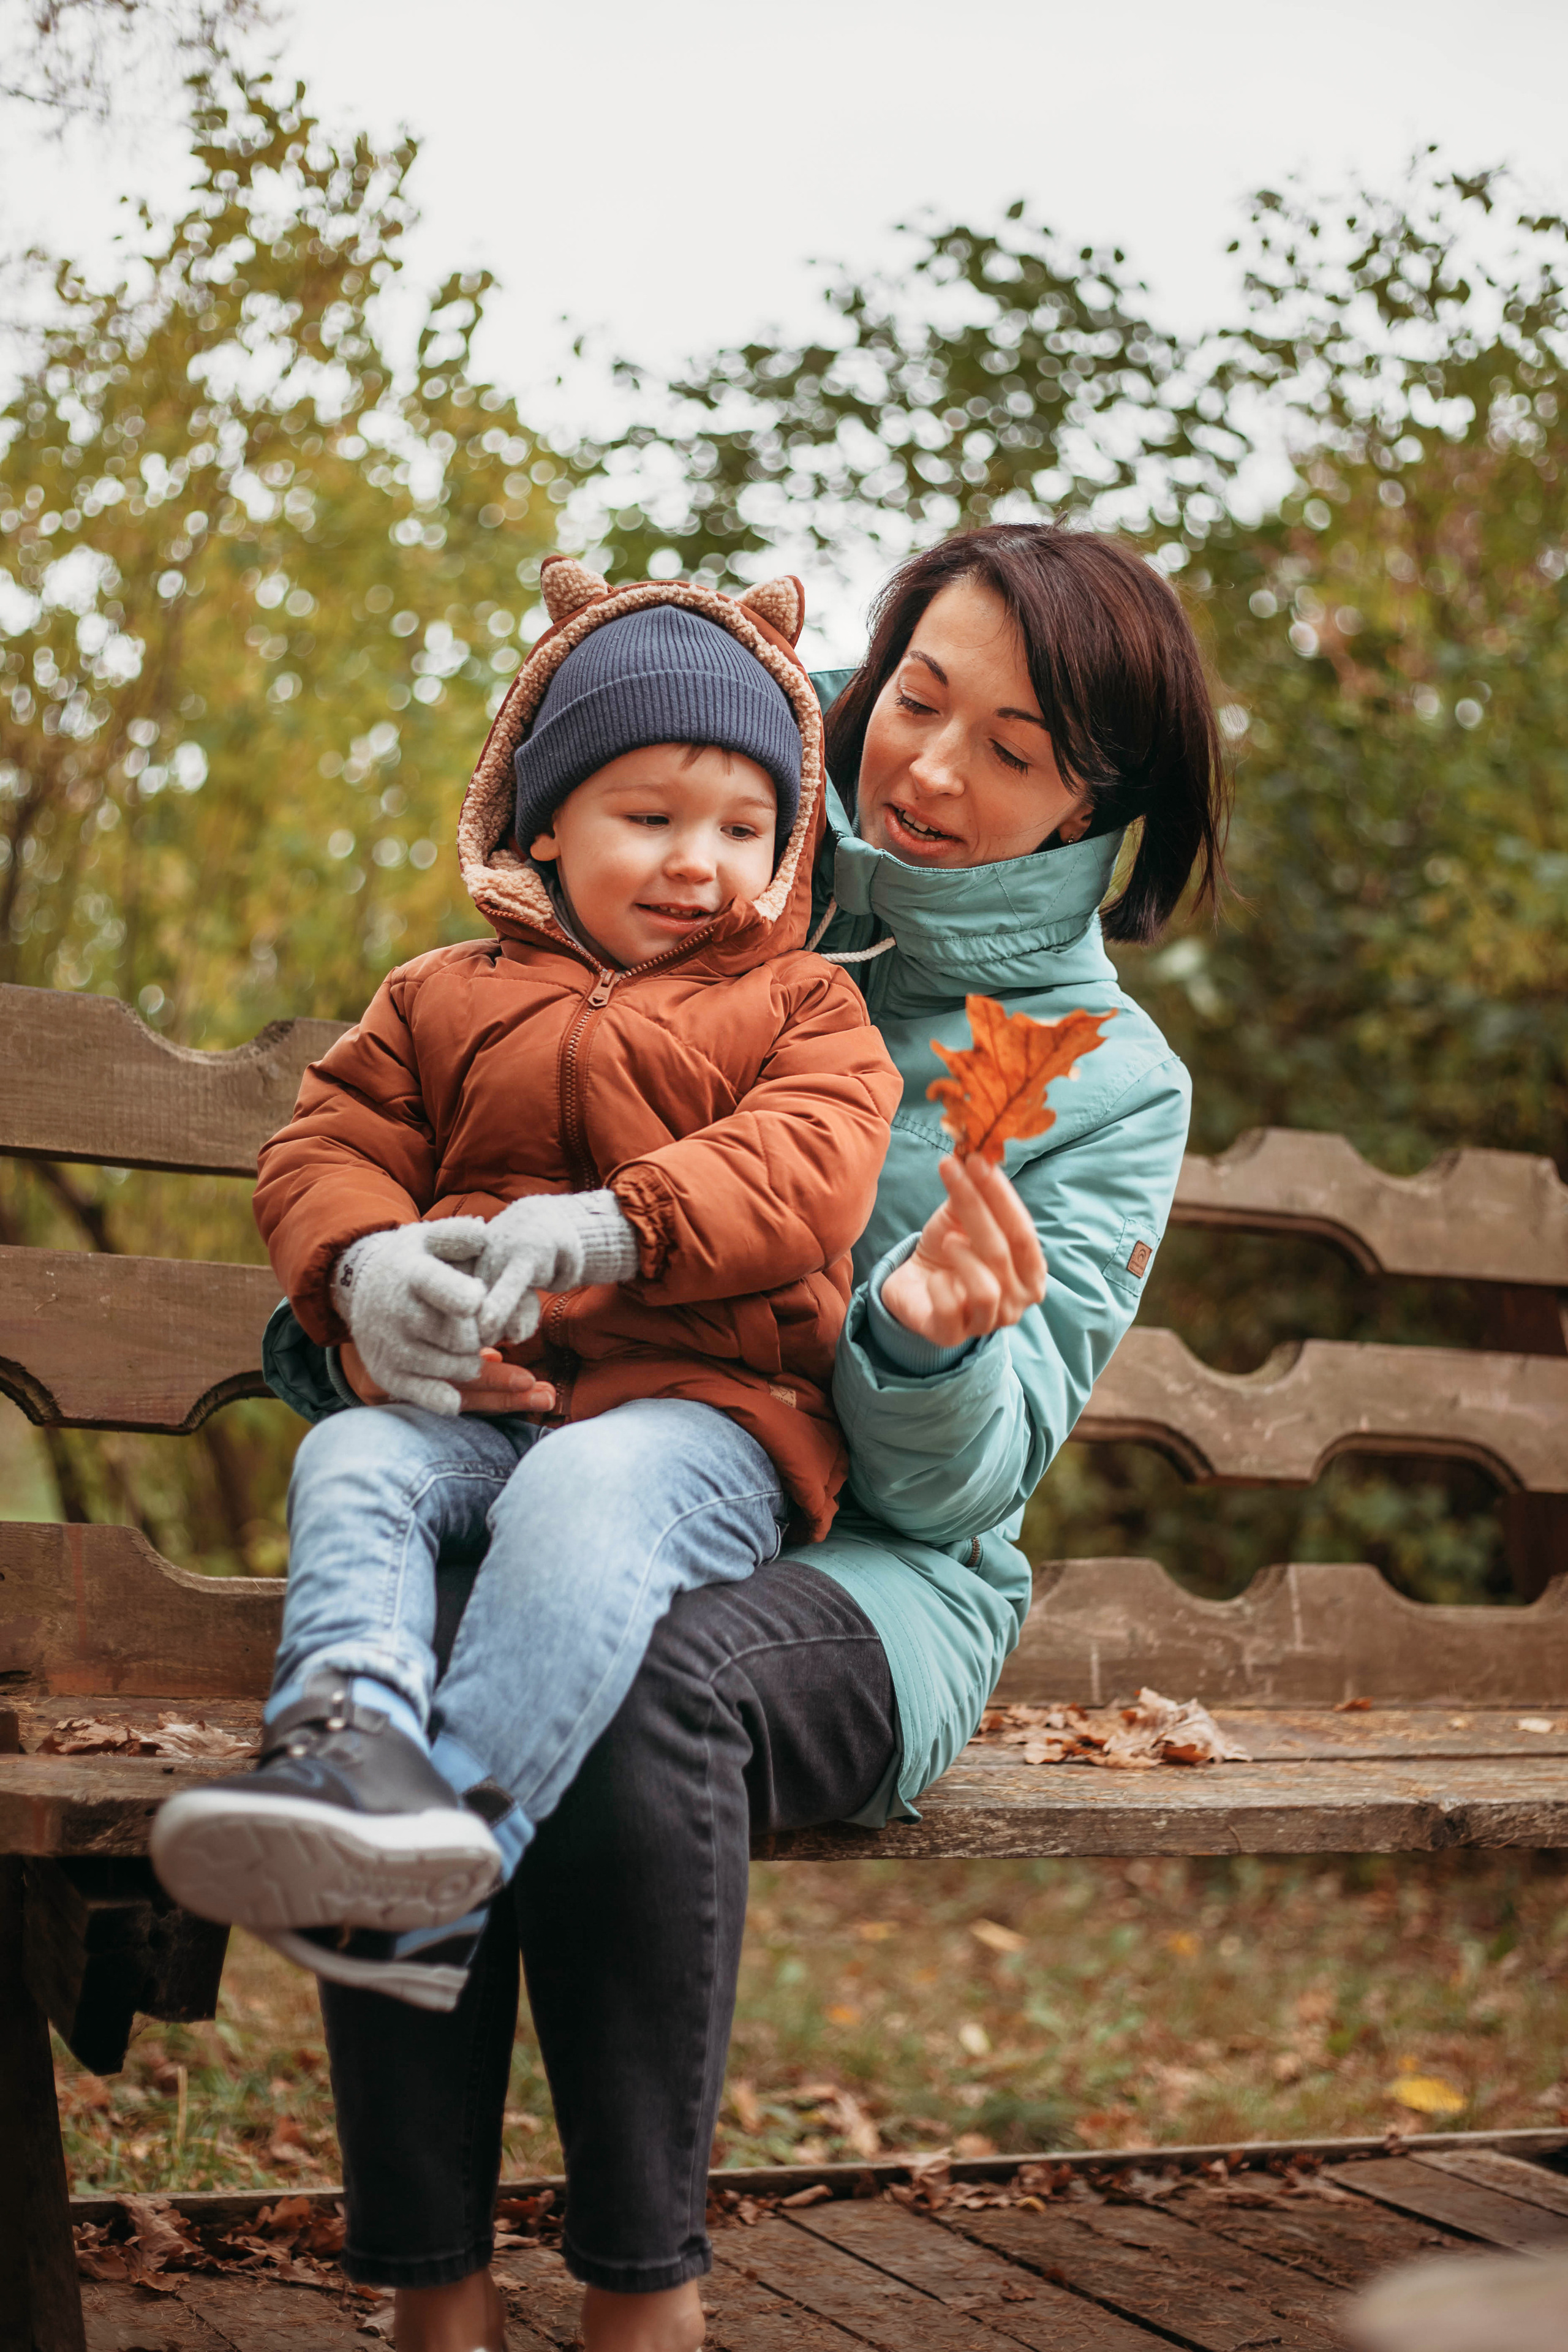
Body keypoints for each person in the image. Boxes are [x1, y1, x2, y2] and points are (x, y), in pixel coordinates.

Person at [248, 526, 1226, 2352]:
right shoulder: (700, 890)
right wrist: (369, 1310)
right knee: (444, 1648)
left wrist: (929, 1349)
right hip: (565, 1456)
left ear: (1109, 801)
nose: (929, 769)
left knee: (647, 1682)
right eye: (914, 699)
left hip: (874, 1569)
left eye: (1014, 751)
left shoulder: (1097, 1069)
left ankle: (646, 2302)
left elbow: (969, 1489)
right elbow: (398, 1160)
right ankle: (429, 2297)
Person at [151, 570, 903, 2011]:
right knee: (358, 1452)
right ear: (544, 820)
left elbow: (807, 1165)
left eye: (744, 829)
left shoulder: (805, 1003)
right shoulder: (439, 992)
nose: (701, 861)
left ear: (788, 843)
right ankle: (348, 1751)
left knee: (580, 1493)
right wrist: (366, 1270)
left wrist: (615, 1229)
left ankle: (443, 1865)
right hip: (478, 1403)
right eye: (651, 817)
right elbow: (329, 1147)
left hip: (702, 1421)